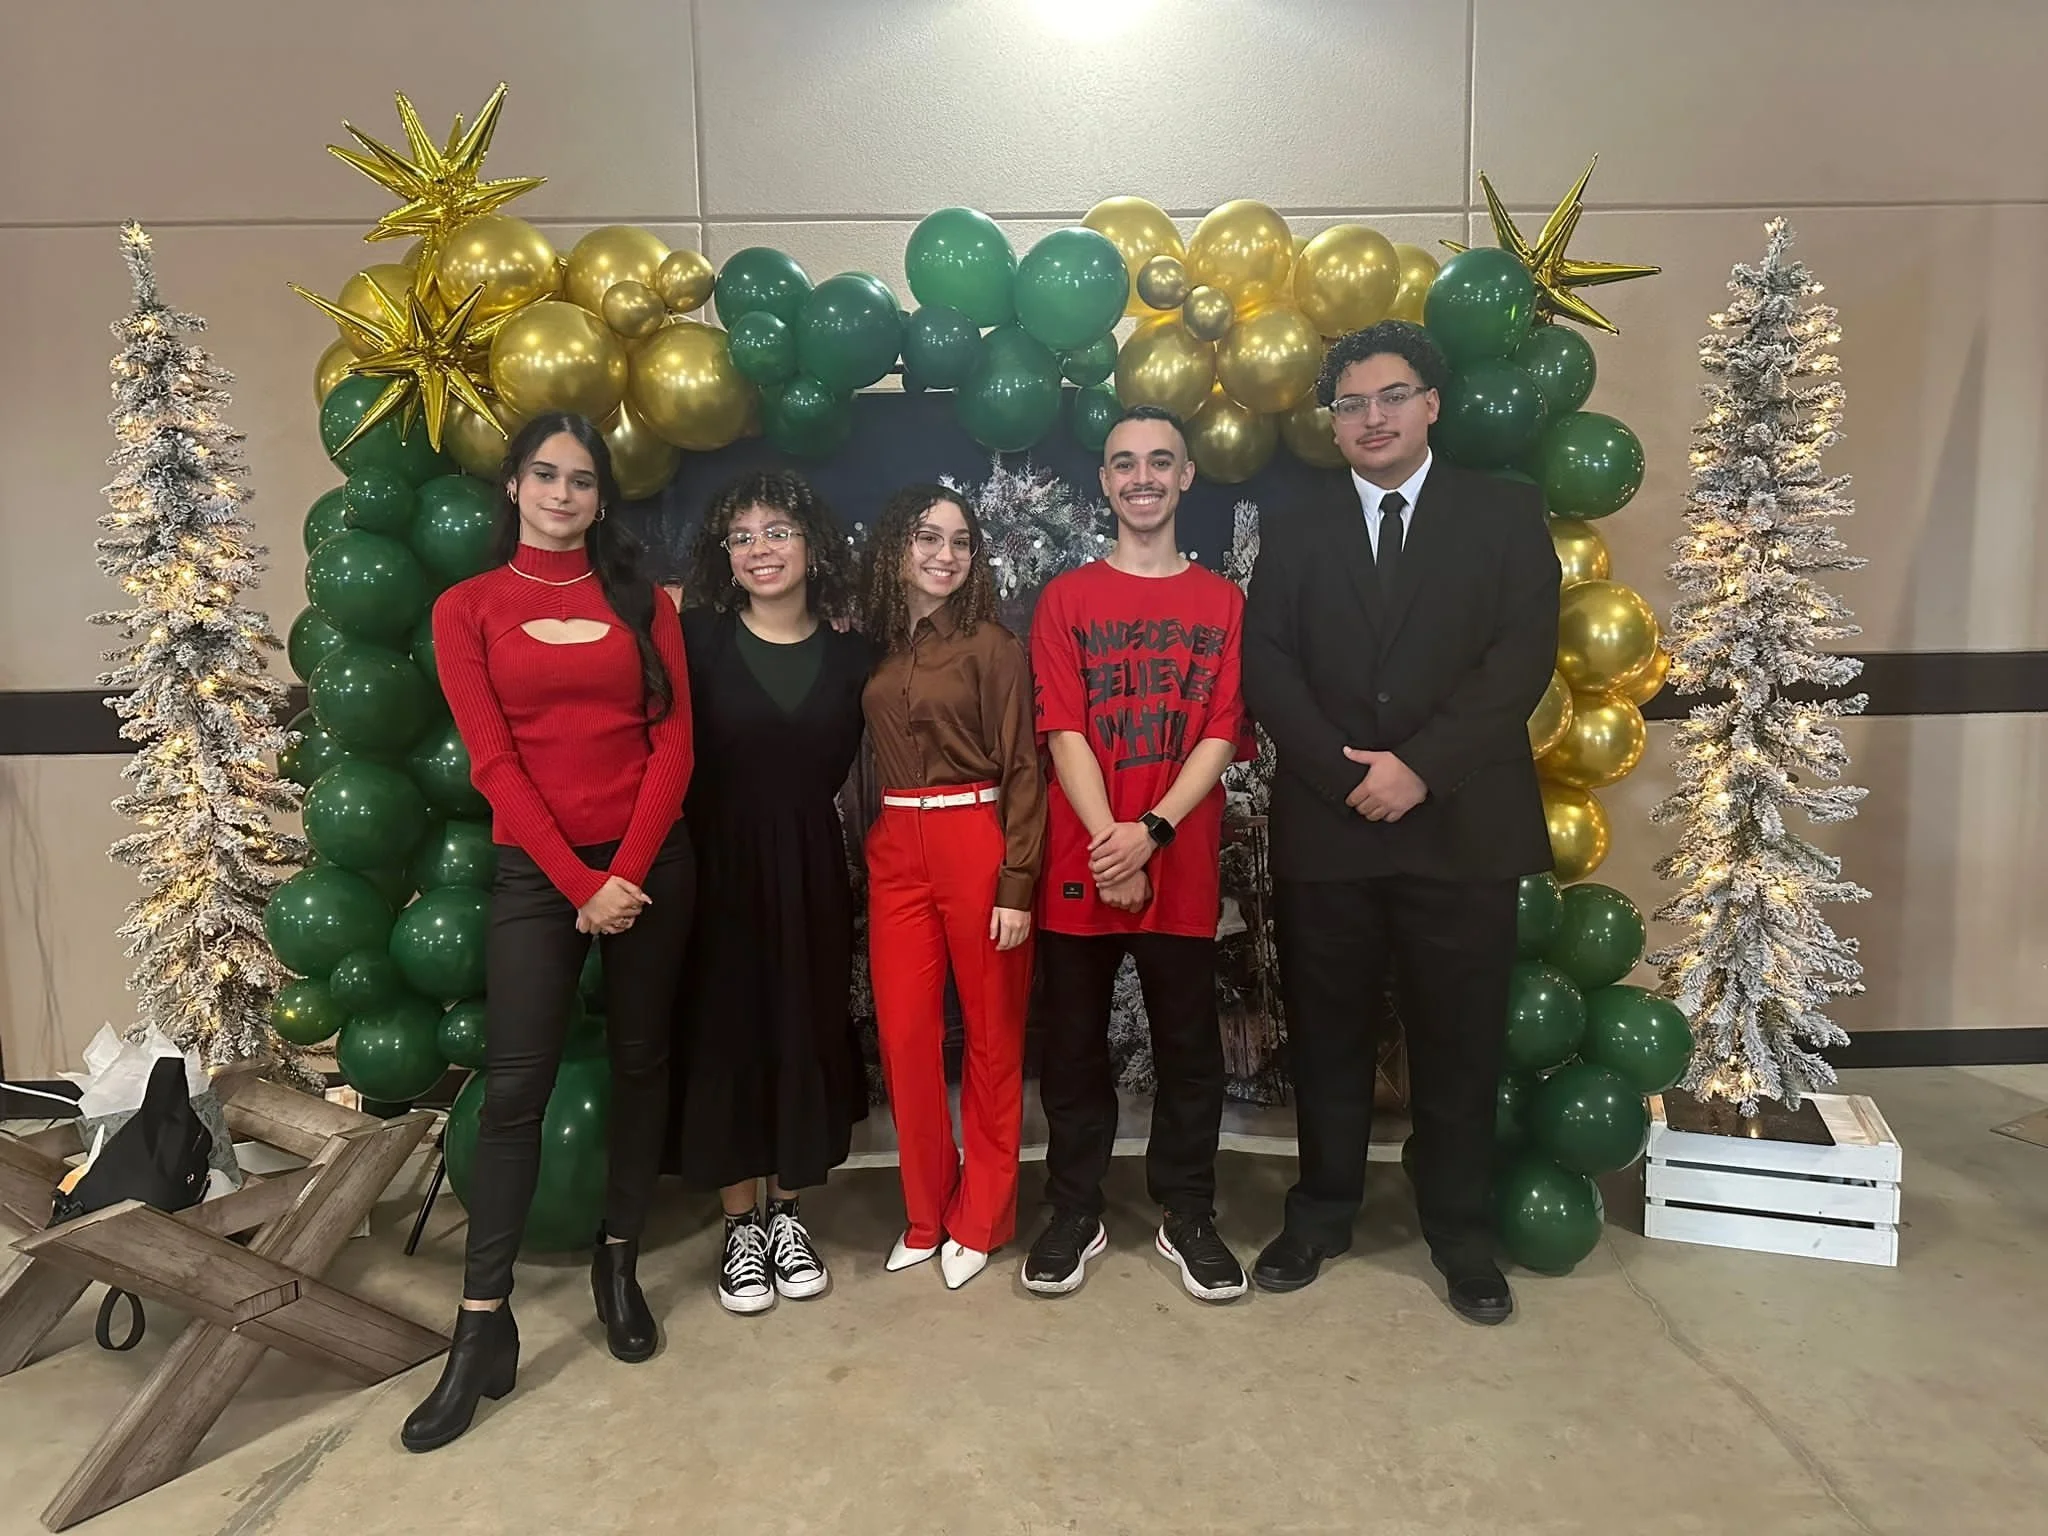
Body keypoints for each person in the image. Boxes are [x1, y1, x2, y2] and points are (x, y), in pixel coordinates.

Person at [1242, 320, 1561, 1324]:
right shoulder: (1294, 526)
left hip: (1459, 823)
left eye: (1388, 397)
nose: (1368, 418)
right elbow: (1267, 667)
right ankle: (1321, 1211)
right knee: (1326, 1038)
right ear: (1331, 424)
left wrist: (1418, 767)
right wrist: (1350, 780)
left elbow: (1519, 658)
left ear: (1430, 404)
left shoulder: (1504, 515)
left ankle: (1459, 1231)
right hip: (1329, 827)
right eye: (1348, 404)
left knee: (1458, 1042)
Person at [403, 411, 695, 1452]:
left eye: (581, 481)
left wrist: (623, 874)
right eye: (545, 475)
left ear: (602, 499)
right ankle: (481, 1327)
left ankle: (618, 1263)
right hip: (539, 875)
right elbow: (492, 764)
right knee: (517, 1086)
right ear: (515, 488)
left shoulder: (643, 603)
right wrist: (578, 881)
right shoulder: (466, 608)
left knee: (639, 1063)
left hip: (649, 866)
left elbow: (674, 746)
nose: (563, 494)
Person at [1023, 406, 1252, 1303]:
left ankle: (1186, 1212)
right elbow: (1063, 728)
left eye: (1161, 462)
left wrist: (1149, 832)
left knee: (1189, 1053)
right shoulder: (1068, 599)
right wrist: (1111, 844)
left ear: (1187, 476)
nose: (1143, 477)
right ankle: (1074, 1209)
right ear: (1106, 482)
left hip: (1178, 859)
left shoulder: (1222, 603)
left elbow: (1222, 733)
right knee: (1074, 1052)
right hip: (1087, 861)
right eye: (1125, 464)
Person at [669, 471, 872, 1315]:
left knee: (801, 1027)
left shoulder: (859, 654)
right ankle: (740, 1227)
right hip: (714, 864)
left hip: (812, 867)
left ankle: (789, 1213)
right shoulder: (696, 640)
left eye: (778, 530)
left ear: (813, 544)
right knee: (726, 1036)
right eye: (742, 535)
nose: (760, 549)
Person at [858, 483, 1045, 1291]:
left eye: (961, 541)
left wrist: (1016, 882)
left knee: (995, 1036)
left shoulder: (993, 647)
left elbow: (1025, 769)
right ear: (899, 547)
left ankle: (983, 1214)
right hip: (896, 846)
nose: (944, 554)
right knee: (904, 1039)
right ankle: (927, 1211)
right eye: (928, 538)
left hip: (977, 838)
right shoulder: (879, 649)